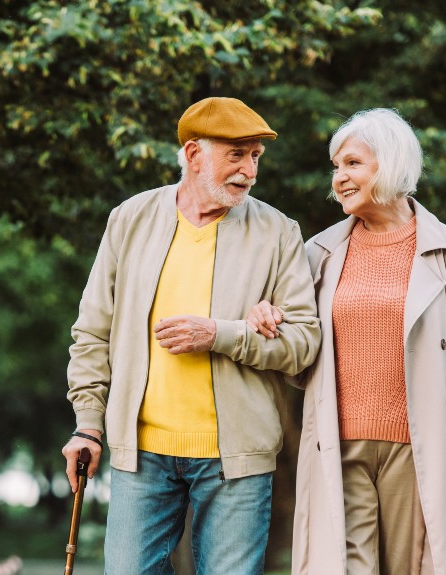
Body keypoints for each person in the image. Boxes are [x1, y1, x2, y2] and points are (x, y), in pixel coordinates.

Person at [246, 108, 446, 574]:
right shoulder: (316, 254)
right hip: (337, 448)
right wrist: (265, 317)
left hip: (420, 451)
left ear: (390, 164)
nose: (339, 178)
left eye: (352, 164)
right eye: (336, 167)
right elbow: (295, 356)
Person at [61, 96, 322, 574]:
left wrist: (223, 334)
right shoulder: (130, 219)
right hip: (139, 454)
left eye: (255, 157)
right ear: (194, 154)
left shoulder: (279, 233)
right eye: (236, 155)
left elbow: (304, 344)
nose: (250, 171)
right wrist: (88, 424)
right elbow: (92, 332)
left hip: (236, 462)